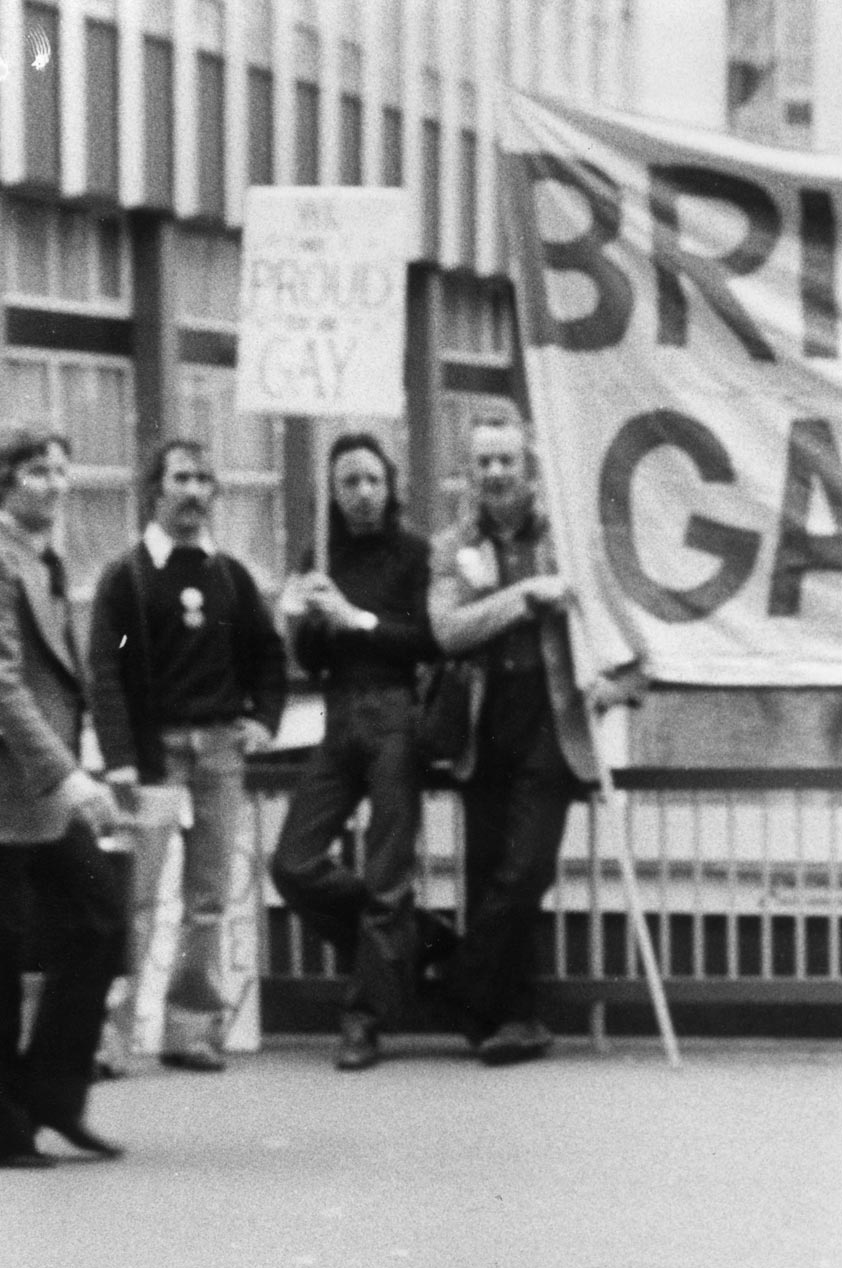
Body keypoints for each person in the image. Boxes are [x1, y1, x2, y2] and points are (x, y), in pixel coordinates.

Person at [427, 409, 643, 1067]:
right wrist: (527, 597)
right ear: (470, 471)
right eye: (483, 462)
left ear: (529, 468)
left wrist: (620, 684)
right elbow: (449, 631)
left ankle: (461, 982)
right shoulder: (450, 547)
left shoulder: (572, 540)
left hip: (553, 720)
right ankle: (508, 1020)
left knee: (526, 868)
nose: (495, 474)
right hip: (484, 722)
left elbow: (626, 625)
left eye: (506, 461)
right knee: (490, 869)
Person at [89, 439, 288, 1073]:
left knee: (209, 899)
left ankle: (191, 1029)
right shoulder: (129, 576)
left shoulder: (229, 576)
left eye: (205, 479)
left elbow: (268, 654)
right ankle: (110, 1038)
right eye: (182, 477)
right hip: (152, 754)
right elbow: (105, 669)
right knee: (138, 897)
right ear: (155, 489)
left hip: (220, 752)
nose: (194, 490)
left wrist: (263, 719)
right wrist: (119, 755)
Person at [268, 434, 439, 1072]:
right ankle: (410, 939)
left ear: (390, 485)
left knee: (388, 871)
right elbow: (314, 663)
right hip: (340, 717)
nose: (362, 493)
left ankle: (362, 1021)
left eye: (372, 479)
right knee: (293, 863)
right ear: (332, 494)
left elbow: (429, 640)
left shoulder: (416, 554)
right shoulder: (323, 553)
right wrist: (299, 623)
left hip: (396, 714)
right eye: (348, 483)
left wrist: (356, 618)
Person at [0, 427, 126, 1166]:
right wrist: (69, 774)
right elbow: (4, 684)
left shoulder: (43, 557)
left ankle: (53, 1095)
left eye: (61, 471)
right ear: (7, 481)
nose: (53, 484)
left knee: (99, 921)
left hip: (39, 792)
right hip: (15, 791)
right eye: (36, 472)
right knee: (4, 958)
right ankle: (8, 1124)